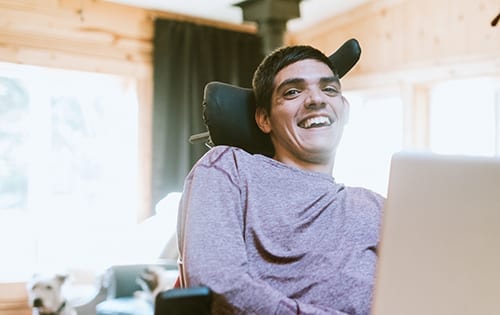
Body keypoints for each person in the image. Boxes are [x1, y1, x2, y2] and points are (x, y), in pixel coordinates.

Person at [176, 45, 384, 314]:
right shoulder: (230, 168)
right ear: (264, 119)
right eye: (293, 92)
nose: (316, 100)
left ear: (344, 109)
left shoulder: (374, 206)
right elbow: (220, 286)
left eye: (329, 89)